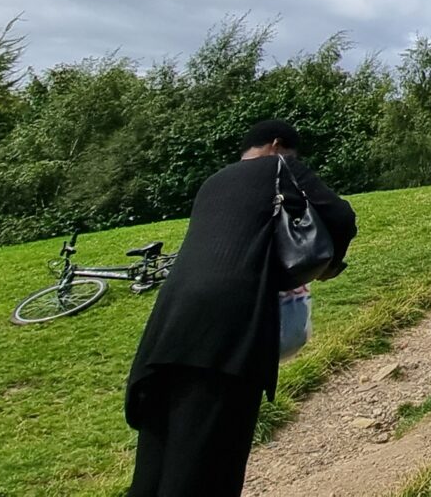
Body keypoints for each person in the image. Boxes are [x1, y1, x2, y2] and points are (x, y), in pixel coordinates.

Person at [126, 119, 356, 496]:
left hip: (168, 329)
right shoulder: (280, 167)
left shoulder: (212, 182)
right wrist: (328, 268)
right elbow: (341, 217)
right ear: (277, 145)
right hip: (229, 333)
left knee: (156, 463)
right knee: (207, 468)